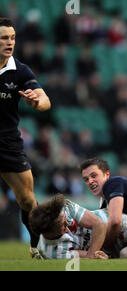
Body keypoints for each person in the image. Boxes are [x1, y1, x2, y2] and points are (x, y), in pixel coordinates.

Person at [0, 17, 51, 259]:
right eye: (3, 38)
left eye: (12, 38)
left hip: (7, 142)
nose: (9, 42)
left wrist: (35, 101)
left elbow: (45, 102)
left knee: (28, 201)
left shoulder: (19, 71)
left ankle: (35, 248)